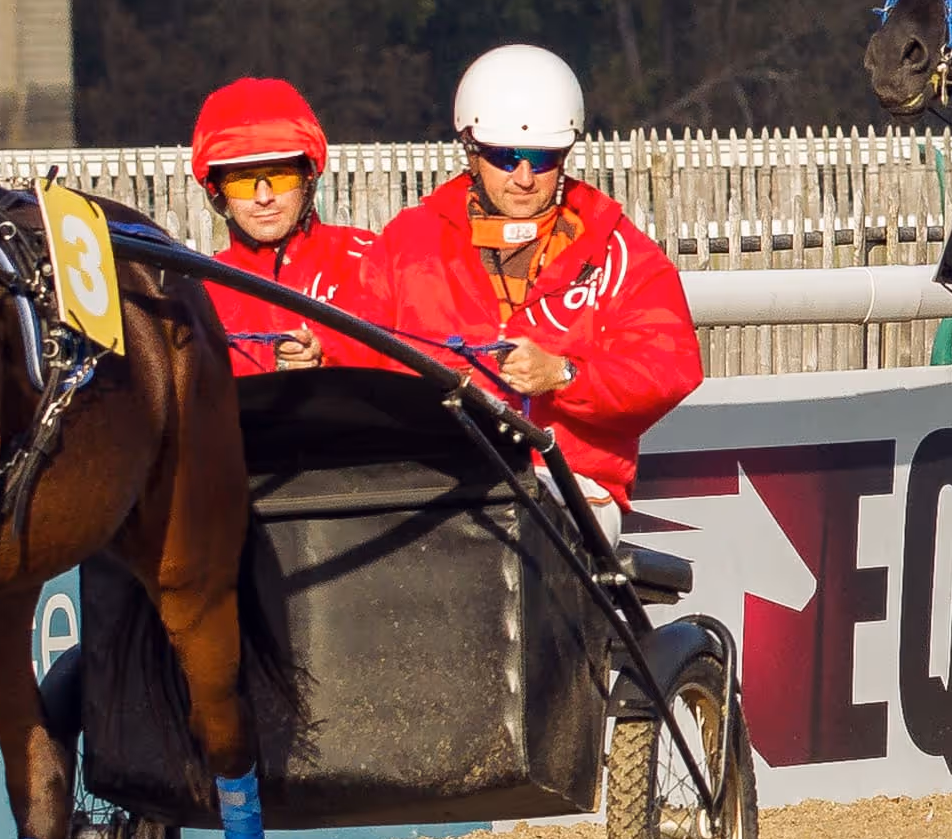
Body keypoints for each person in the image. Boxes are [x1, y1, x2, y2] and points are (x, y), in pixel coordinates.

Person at [357, 44, 706, 509]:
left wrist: (564, 376)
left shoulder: (616, 249)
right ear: (472, 151)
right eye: (505, 156)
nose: (524, 177)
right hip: (433, 486)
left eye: (541, 159)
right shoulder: (406, 244)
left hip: (572, 490)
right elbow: (357, 362)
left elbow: (669, 368)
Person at [183, 76, 382, 376]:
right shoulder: (197, 292)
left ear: (308, 177)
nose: (264, 198)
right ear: (216, 190)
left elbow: (408, 352)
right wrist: (268, 362)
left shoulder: (370, 261)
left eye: (280, 177)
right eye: (243, 182)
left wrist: (327, 351)